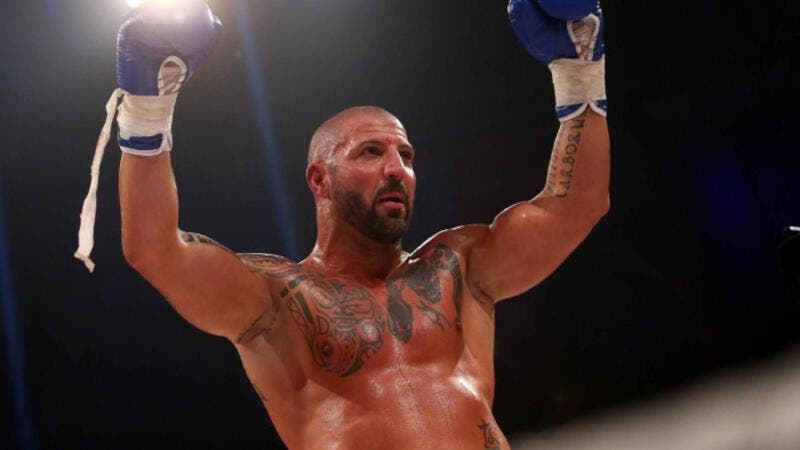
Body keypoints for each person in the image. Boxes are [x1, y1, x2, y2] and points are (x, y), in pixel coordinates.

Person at [113, 0, 609, 448]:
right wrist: (147, 110)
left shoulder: (458, 268)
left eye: (406, 155)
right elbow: (154, 250)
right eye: (371, 152)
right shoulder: (276, 298)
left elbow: (576, 206)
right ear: (320, 180)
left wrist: (580, 73)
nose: (397, 169)